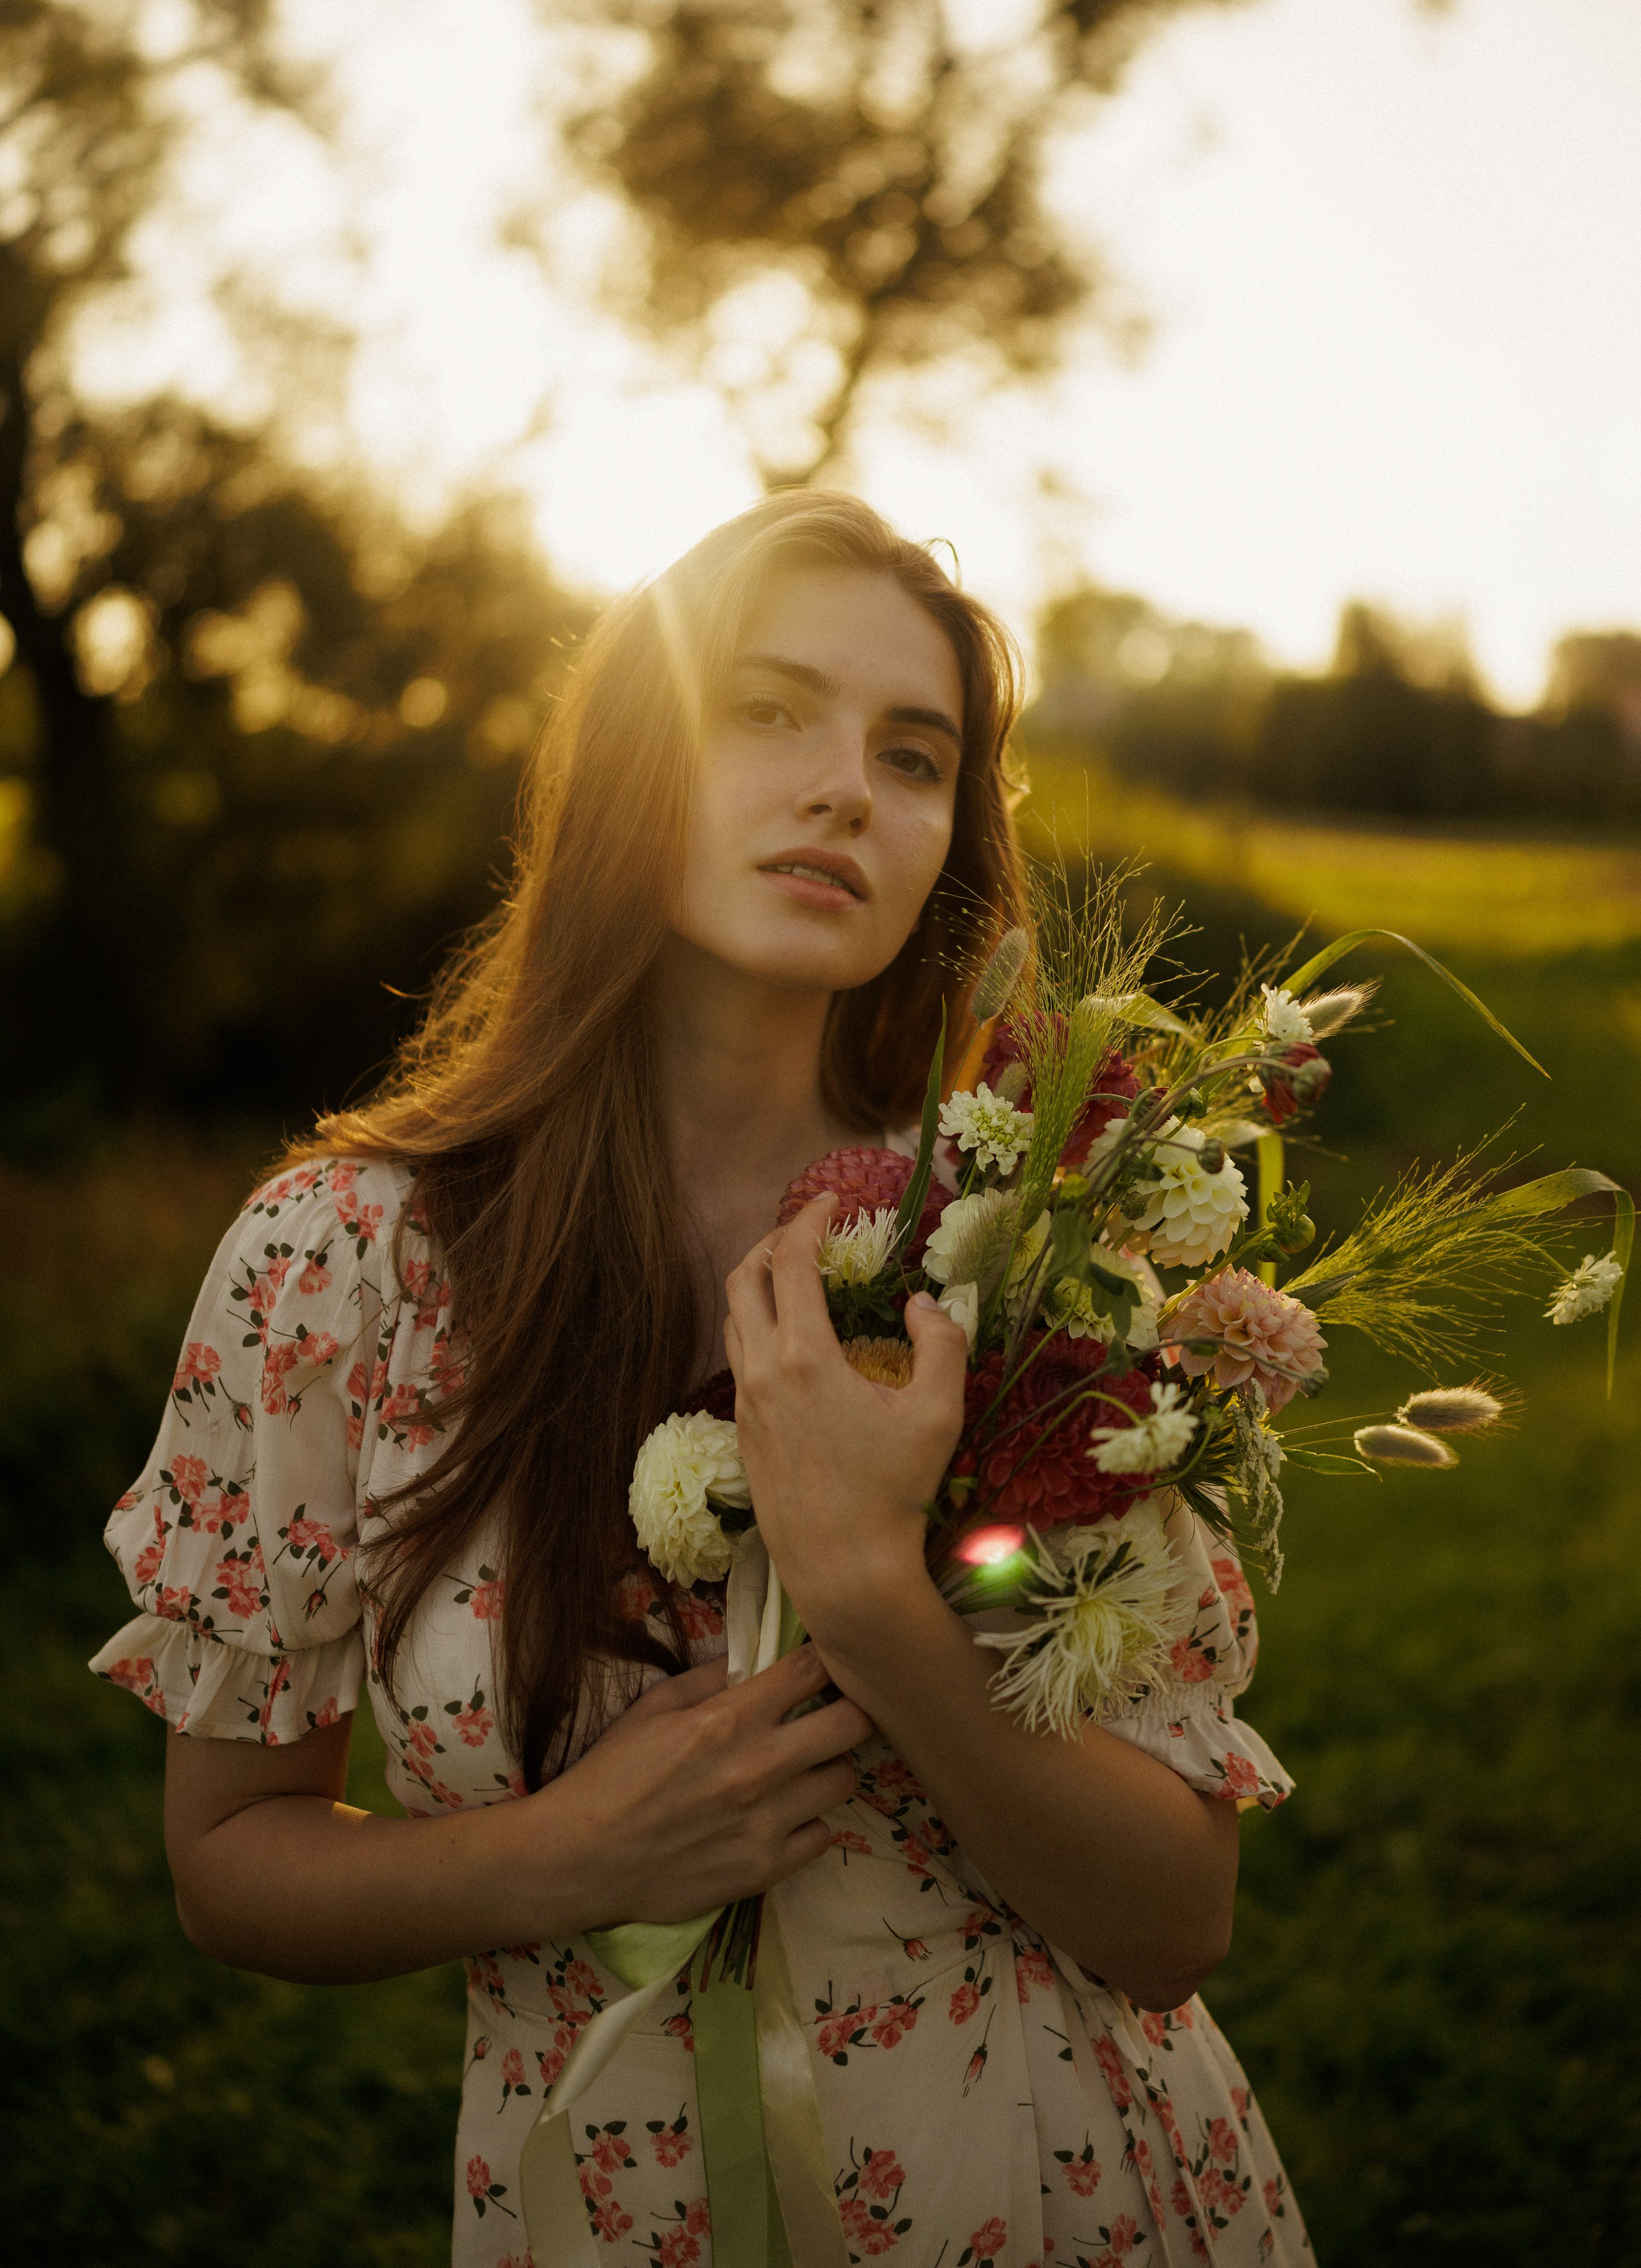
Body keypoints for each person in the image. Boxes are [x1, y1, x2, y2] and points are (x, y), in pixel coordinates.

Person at [94, 491, 1311, 2265]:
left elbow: (1176, 1919)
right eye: (769, 711)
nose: (845, 788)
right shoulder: (333, 1267)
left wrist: (876, 1611)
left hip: (1054, 2184)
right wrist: (575, 1856)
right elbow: (232, 1864)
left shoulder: (1019, 1252)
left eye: (914, 756)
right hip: (604, 2209)